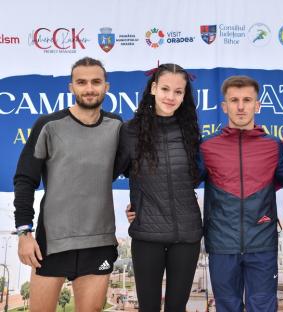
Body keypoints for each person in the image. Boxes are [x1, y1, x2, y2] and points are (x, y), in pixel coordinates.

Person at [13, 57, 121, 312]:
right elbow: (25, 179)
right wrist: (23, 233)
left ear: (106, 86)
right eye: (81, 82)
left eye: (96, 82)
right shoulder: (48, 125)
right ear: (71, 87)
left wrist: (136, 207)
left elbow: (136, 171)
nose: (89, 88)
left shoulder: (117, 126)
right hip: (52, 241)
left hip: (99, 241)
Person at [115, 63, 202, 312]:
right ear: (153, 88)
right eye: (165, 88)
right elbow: (111, 172)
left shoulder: (191, 132)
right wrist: (136, 205)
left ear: (184, 95)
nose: (170, 96)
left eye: (178, 91)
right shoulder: (130, 131)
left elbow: (196, 178)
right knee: (148, 308)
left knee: (177, 308)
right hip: (147, 237)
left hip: (187, 237)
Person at [200, 76, 283, 311]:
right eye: (234, 100)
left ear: (257, 105)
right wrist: (140, 206)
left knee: (262, 306)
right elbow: (179, 185)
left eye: (247, 100)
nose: (240, 106)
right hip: (221, 244)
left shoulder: (274, 146)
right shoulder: (207, 146)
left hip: (262, 244)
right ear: (224, 106)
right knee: (227, 306)